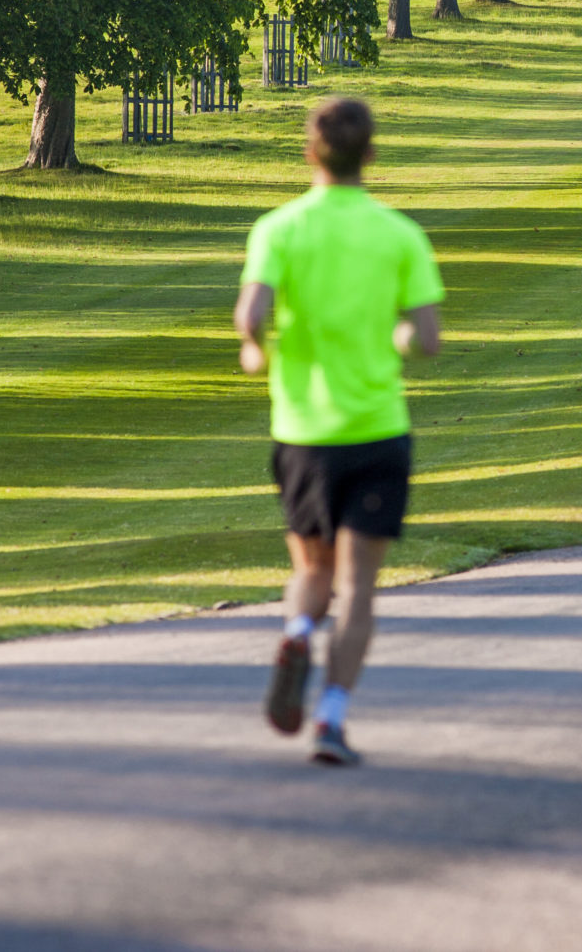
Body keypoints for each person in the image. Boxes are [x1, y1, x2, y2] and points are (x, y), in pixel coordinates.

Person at [237, 97, 444, 768]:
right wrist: (397, 333)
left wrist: (256, 350)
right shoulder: (399, 234)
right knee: (358, 586)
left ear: (310, 151)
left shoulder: (280, 228)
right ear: (371, 154)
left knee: (312, 570)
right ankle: (330, 718)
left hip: (302, 431)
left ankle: (298, 627)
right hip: (378, 426)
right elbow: (428, 337)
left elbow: (252, 314)